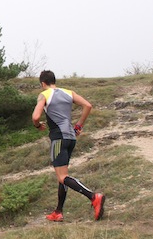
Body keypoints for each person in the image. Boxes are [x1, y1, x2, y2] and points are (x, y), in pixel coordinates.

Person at [32, 70, 105, 222]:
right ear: (54, 80)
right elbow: (88, 105)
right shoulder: (68, 92)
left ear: (42, 83)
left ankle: (93, 197)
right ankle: (58, 212)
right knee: (63, 176)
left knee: (62, 176)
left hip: (58, 138)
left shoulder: (44, 94)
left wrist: (37, 125)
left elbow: (36, 116)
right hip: (71, 137)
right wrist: (79, 126)